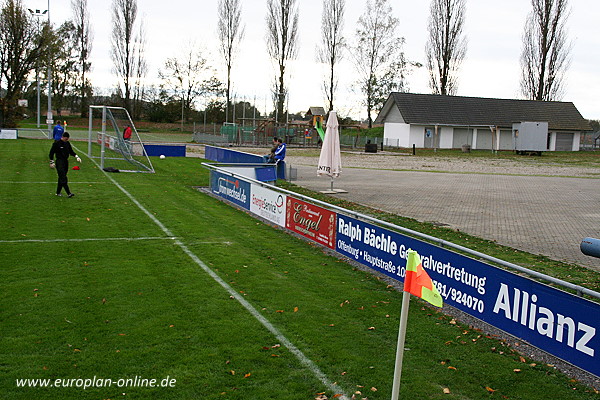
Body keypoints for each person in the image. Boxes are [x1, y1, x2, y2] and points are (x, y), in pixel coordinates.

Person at [49, 132, 81, 197]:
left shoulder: (67, 143)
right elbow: (51, 153)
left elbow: (71, 151)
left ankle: (58, 192)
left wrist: (76, 156)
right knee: (63, 177)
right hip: (59, 161)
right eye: (66, 139)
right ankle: (68, 193)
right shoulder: (56, 143)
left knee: (61, 177)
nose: (66, 140)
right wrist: (51, 162)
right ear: (63, 137)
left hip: (65, 161)